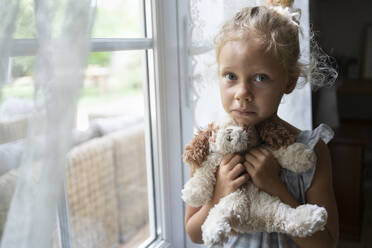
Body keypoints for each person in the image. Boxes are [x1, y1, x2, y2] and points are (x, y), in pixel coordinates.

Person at [184, 2, 339, 248]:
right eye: (231, 76)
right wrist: (218, 195)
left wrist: (275, 187)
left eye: (260, 78)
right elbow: (194, 233)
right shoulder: (211, 147)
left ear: (288, 82)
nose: (242, 93)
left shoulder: (311, 151)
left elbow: (326, 243)